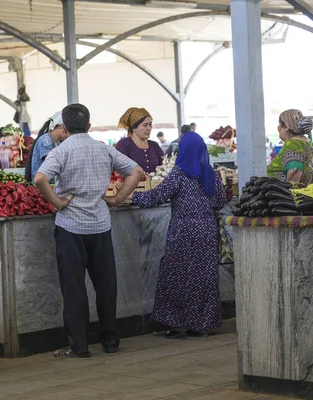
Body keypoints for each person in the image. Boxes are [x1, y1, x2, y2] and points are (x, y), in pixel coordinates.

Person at [34, 104, 144, 358]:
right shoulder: (103, 148)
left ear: (64, 127)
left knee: (74, 289)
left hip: (70, 228)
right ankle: (110, 341)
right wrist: (116, 200)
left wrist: (58, 202)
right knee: (106, 286)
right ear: (89, 125)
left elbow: (40, 179)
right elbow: (136, 172)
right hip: (100, 226)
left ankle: (79, 347)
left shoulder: (61, 151)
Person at [107, 132, 228, 338]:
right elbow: (219, 201)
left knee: (177, 275)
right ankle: (201, 325)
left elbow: (157, 196)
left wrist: (129, 194)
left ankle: (177, 323)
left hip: (182, 232)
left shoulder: (180, 173)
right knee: (204, 277)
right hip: (207, 231)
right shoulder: (211, 175)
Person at [267, 109, 313, 185]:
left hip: (285, 195)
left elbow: (295, 170)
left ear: (286, 127)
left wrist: (291, 192)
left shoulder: (293, 144)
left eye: (280, 124)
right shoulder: (308, 142)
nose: (278, 128)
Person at [116, 108, 164, 174]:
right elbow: (120, 170)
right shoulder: (124, 144)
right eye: (145, 125)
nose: (149, 128)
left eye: (150, 124)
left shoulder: (154, 145)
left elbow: (164, 166)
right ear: (133, 127)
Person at [25, 111, 69, 182]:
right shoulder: (45, 141)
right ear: (62, 127)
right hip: (41, 187)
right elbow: (52, 163)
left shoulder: (57, 143)